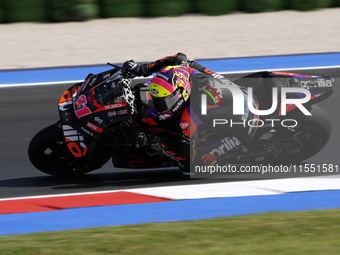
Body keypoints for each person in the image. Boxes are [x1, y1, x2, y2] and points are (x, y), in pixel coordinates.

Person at [123, 53, 258, 173]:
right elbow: (179, 57)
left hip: (246, 124)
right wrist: (142, 69)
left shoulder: (190, 115)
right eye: (158, 101)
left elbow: (188, 156)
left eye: (165, 102)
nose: (160, 107)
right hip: (236, 93)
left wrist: (154, 140)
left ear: (182, 92)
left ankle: (231, 155)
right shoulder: (184, 69)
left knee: (194, 165)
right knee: (191, 63)